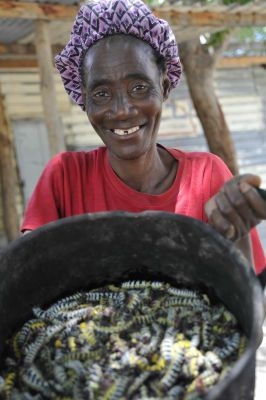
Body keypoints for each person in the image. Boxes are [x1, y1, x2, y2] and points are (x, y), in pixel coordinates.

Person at [21, 0, 266, 285]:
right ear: (84, 100)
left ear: (162, 87)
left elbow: (249, 298)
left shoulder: (206, 176)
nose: (122, 110)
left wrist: (233, 238)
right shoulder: (64, 178)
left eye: (139, 88)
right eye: (101, 93)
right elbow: (26, 282)